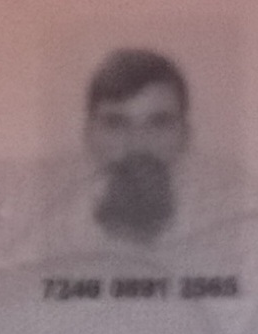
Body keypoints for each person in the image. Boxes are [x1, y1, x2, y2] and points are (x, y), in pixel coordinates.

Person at [81, 47, 192, 246]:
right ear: (89, 134)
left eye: (159, 123)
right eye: (116, 124)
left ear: (185, 135)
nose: (138, 144)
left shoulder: (229, 232)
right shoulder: (47, 234)